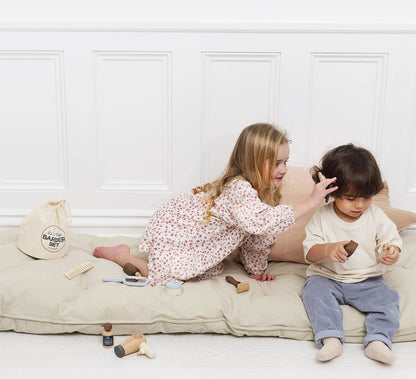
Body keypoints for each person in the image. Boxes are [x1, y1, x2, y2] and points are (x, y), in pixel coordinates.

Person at [94, 123, 336, 286]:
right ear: (252, 163)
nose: (283, 169)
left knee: (206, 271)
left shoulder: (262, 193)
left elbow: (257, 235)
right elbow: (261, 223)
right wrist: (311, 201)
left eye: (286, 161)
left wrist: (256, 270)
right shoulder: (239, 189)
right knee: (165, 277)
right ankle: (121, 255)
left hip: (198, 238)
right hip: (180, 228)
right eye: (275, 163)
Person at [302, 143, 402, 364]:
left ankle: (378, 340)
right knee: (313, 292)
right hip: (327, 278)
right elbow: (310, 252)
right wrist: (328, 249)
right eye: (351, 198)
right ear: (333, 192)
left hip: (368, 280)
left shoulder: (376, 216)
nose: (360, 205)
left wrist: (391, 252)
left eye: (367, 197)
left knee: (389, 299)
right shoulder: (322, 216)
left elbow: (391, 241)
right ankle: (331, 338)